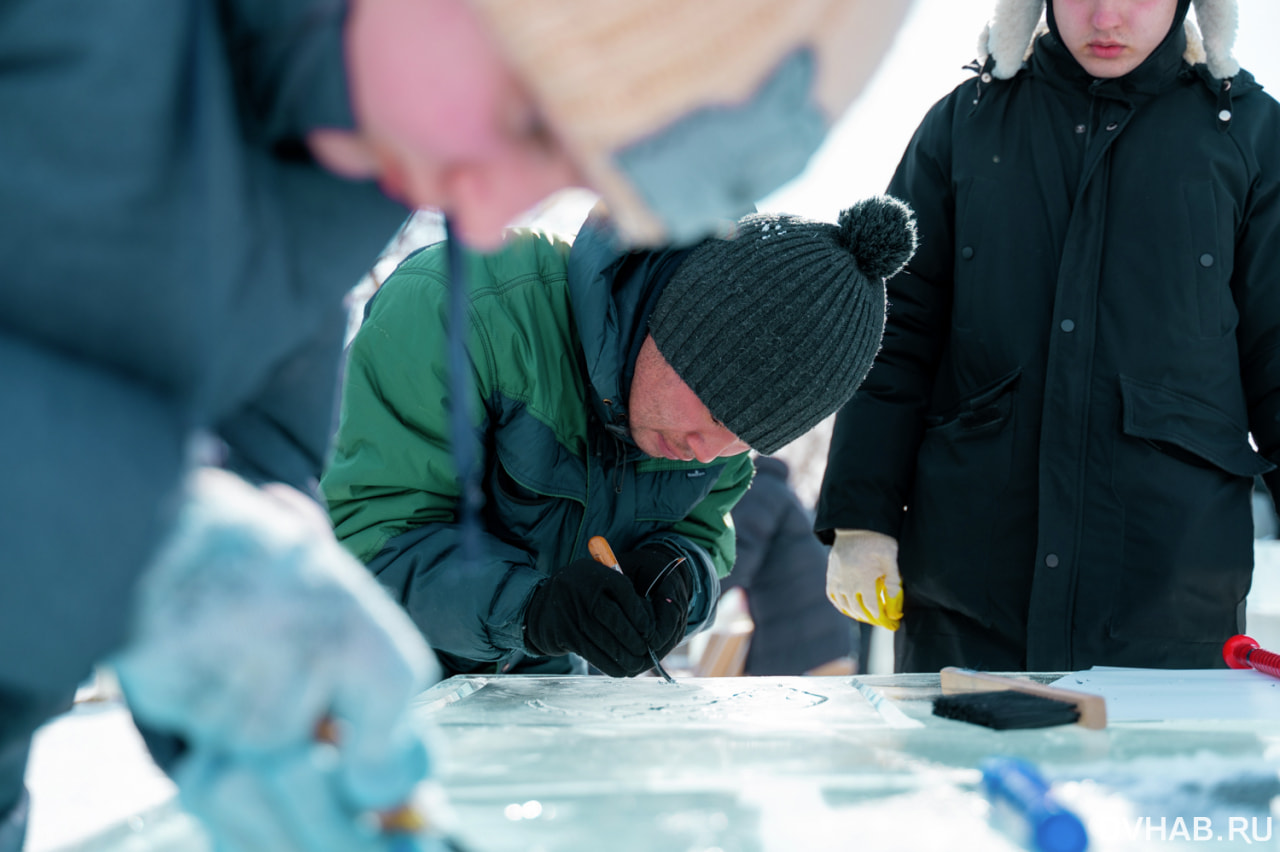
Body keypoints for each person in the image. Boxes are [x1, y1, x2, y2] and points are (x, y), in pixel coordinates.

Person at [1, 0, 921, 849]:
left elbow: (256, 497)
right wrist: (148, 542)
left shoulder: (339, 195)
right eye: (528, 116)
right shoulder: (78, 30)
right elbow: (328, 536)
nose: (489, 209)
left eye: (567, 169)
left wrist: (256, 711)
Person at [816, 0, 1280, 674]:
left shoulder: (1248, 134)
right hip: (971, 597)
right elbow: (893, 330)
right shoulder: (966, 123)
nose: (1106, 17)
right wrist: (862, 518)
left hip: (1169, 595)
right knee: (968, 781)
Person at [321, 198, 916, 679]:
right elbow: (361, 543)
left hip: (530, 706)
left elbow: (704, 538)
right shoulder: (466, 309)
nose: (707, 450)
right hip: (353, 682)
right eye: (714, 406)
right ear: (666, 319)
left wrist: (680, 577)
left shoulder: (707, 441)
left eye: (748, 437)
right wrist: (532, 608)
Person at [723, 455, 862, 676]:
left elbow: (733, 560)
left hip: (804, 639)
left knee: (775, 704)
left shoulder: (759, 492)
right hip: (822, 636)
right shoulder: (777, 490)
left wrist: (689, 600)